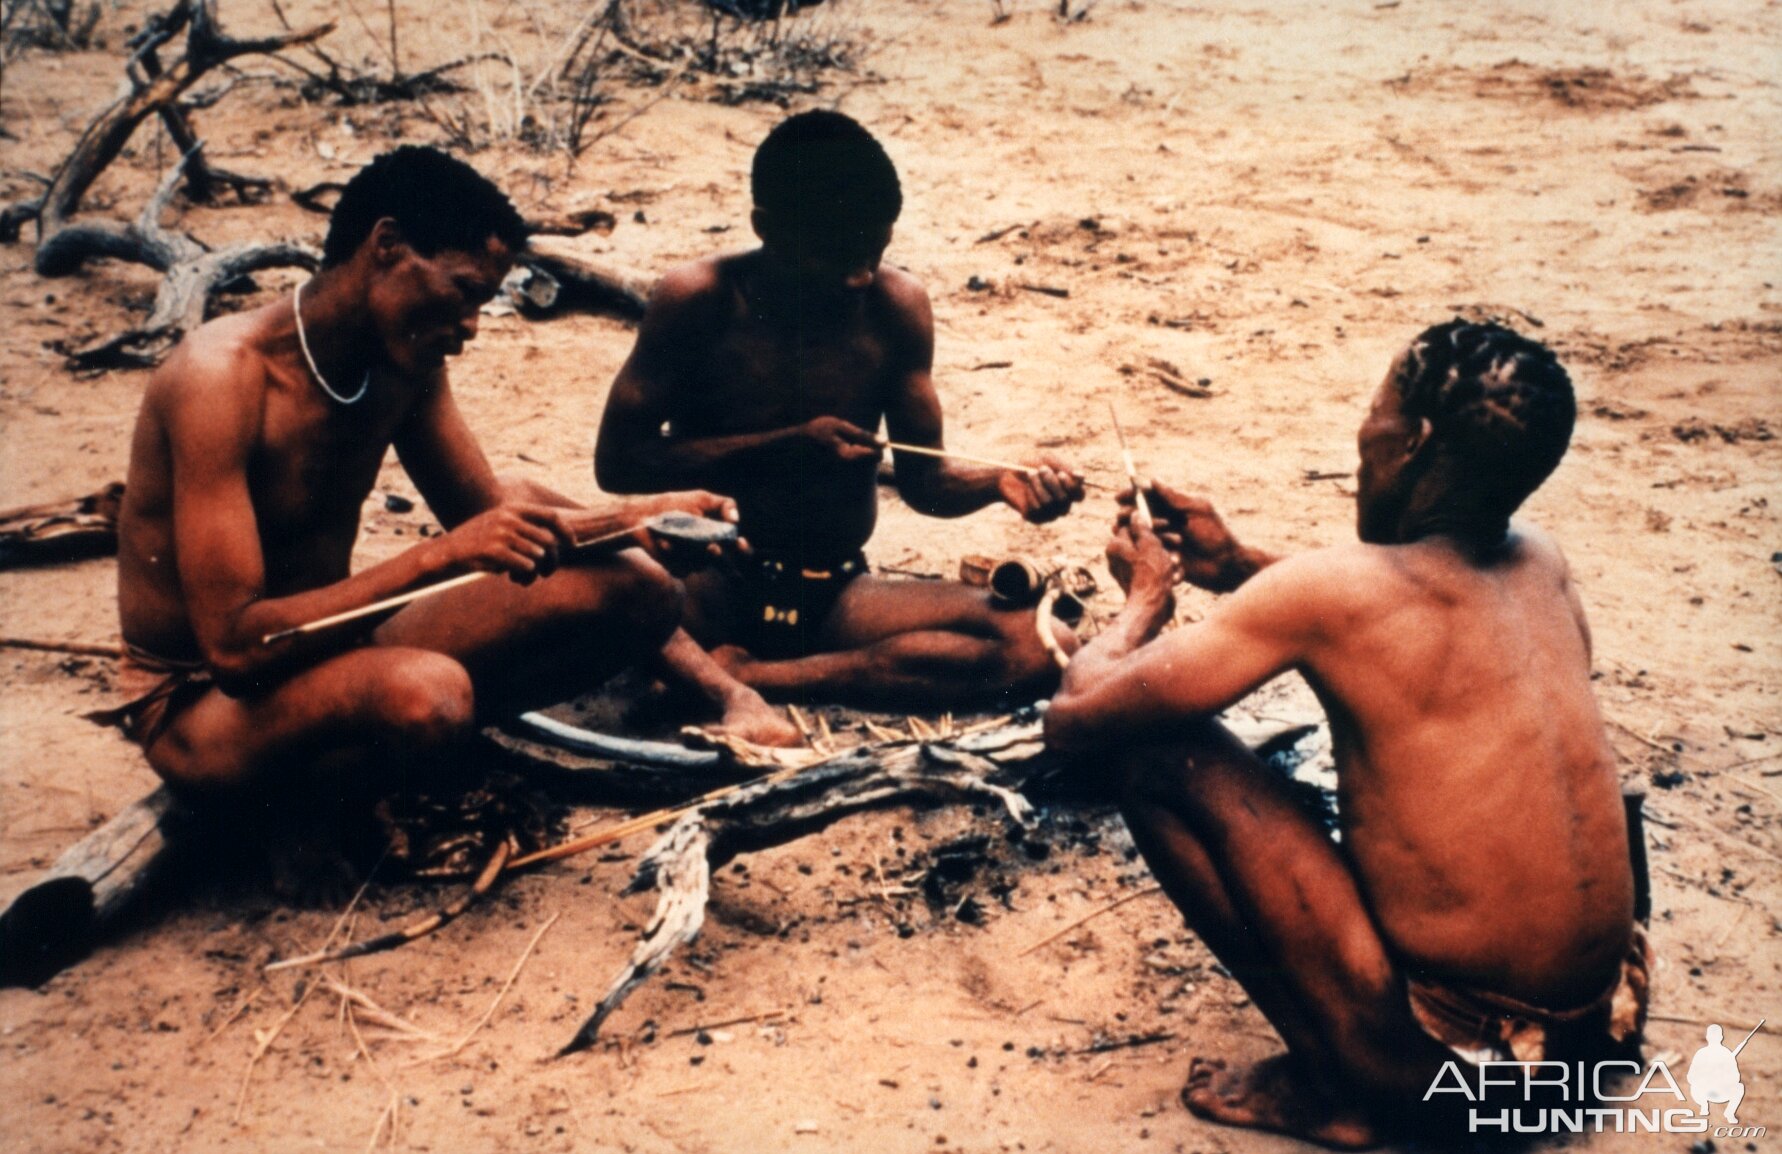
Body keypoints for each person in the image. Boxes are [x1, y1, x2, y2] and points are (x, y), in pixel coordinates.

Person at [101, 146, 794, 884]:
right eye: (462, 293)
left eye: (482, 303)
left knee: (640, 589)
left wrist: (638, 519)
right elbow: (235, 650)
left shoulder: (403, 365)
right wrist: (442, 556)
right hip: (201, 704)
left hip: (327, 653)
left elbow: (495, 518)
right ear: (387, 245)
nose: (469, 326)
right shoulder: (220, 379)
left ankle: (353, 773)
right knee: (430, 694)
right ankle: (300, 807)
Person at [1045, 322, 1649, 1148]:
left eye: (1378, 407)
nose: (1365, 429)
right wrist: (1242, 564)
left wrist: (1144, 602)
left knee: (1156, 751)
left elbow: (1076, 719)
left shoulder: (1329, 594)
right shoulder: (1542, 561)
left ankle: (1341, 1089)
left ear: (1416, 441)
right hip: (1591, 1043)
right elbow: (1401, 627)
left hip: (1452, 1079)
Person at [595, 110, 1084, 709]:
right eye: (835, 256)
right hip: (706, 581)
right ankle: (709, 671)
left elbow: (924, 483)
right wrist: (784, 445)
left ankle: (751, 678)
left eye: (874, 253)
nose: (860, 277)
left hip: (834, 589)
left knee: (1041, 645)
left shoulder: (896, 307)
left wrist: (998, 482)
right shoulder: (698, 299)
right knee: (608, 608)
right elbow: (618, 465)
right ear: (765, 228)